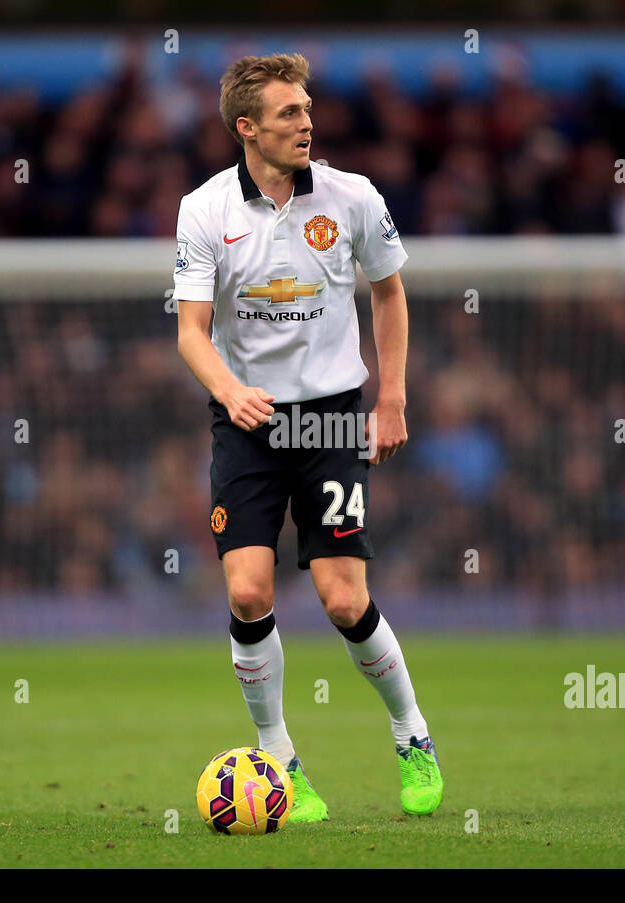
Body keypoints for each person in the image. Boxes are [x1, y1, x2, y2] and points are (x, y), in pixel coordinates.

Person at [174, 53, 443, 820]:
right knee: (249, 590)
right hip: (247, 421)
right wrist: (230, 392)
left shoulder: (352, 197)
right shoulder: (203, 210)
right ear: (245, 127)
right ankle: (282, 762)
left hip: (329, 418)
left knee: (342, 598)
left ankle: (411, 732)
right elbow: (191, 332)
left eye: (308, 108)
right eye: (289, 113)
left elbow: (389, 294)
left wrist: (390, 397)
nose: (307, 122)